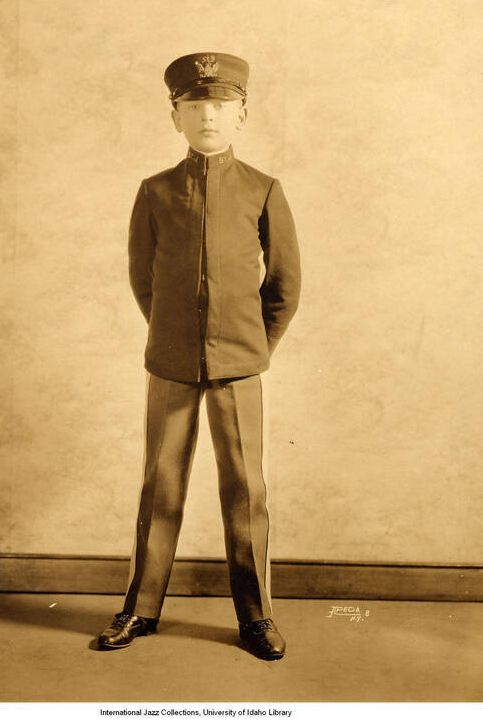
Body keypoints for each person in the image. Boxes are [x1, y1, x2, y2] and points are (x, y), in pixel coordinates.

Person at [97, 52, 301, 660]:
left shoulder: (263, 189)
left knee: (246, 489)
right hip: (171, 365)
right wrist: (175, 340)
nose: (208, 116)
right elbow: (144, 282)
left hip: (240, 365)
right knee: (159, 485)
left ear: (241, 114)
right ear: (175, 117)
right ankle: (140, 608)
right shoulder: (155, 191)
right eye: (194, 106)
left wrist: (250, 346)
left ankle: (256, 618)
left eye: (221, 106)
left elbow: (285, 285)